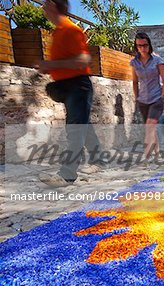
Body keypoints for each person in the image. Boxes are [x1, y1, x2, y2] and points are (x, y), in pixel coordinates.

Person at [38, 0, 103, 187]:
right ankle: (98, 160)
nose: (43, 5)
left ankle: (67, 174)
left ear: (54, 5)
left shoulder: (70, 30)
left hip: (78, 86)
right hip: (70, 86)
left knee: (74, 129)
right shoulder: (58, 31)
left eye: (46, 2)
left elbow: (83, 60)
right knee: (83, 125)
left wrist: (51, 65)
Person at [130, 32, 164, 164]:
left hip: (156, 98)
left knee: (149, 126)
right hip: (142, 100)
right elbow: (134, 82)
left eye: (145, 45)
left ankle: (145, 156)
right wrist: (136, 97)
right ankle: (157, 153)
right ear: (136, 46)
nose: (142, 48)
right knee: (151, 127)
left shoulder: (158, 61)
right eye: (139, 46)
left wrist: (162, 96)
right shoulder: (134, 63)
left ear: (149, 45)